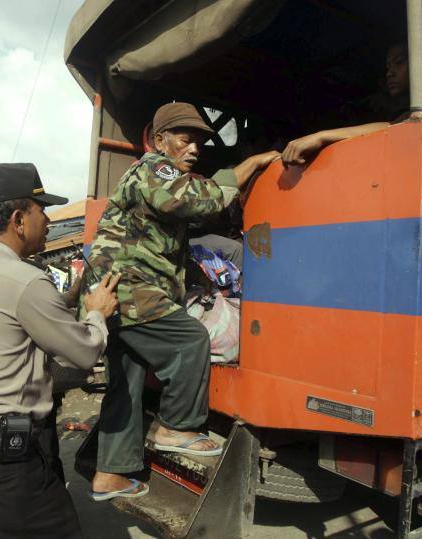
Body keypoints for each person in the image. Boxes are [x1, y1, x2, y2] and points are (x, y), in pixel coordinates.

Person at [85, 102, 280, 499]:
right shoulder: (154, 168)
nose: (194, 149)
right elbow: (202, 200)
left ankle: (111, 475)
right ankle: (177, 425)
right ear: (160, 141)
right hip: (129, 290)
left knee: (128, 382)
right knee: (190, 340)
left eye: (199, 142)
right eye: (185, 139)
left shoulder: (154, 178)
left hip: (117, 293)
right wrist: (253, 162)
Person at [0, 162, 120, 538]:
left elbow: (4, 328)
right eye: (42, 211)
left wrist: (64, 302)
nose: (49, 220)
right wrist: (98, 313)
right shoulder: (25, 280)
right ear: (19, 219)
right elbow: (83, 353)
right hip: (2, 455)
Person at [281, 43, 409, 167]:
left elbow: (396, 125)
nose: (389, 73)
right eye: (388, 67)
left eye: (399, 62)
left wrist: (322, 136)